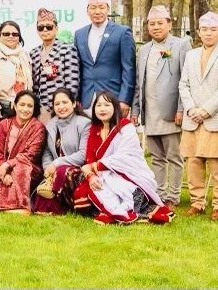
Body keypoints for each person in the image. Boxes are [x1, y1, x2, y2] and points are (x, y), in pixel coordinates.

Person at [72, 91, 173, 224]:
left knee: (127, 194)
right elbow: (90, 158)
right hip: (101, 175)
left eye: (106, 105)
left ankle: (122, 210)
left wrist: (94, 166)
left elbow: (125, 157)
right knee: (81, 202)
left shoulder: (126, 127)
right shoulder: (94, 129)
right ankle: (109, 208)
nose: (102, 109)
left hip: (128, 174)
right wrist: (91, 175)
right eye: (99, 105)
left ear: (115, 107)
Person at [178, 12, 218, 220]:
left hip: (215, 118)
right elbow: (183, 84)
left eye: (213, 30)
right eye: (204, 30)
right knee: (193, 162)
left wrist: (205, 111)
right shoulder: (191, 55)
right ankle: (197, 202)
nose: (208, 33)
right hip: (192, 119)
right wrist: (191, 109)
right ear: (199, 32)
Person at [133, 5, 191, 209]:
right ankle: (159, 194)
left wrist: (181, 109)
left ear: (169, 23)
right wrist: (135, 110)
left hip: (171, 112)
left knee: (174, 156)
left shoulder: (181, 45)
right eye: (152, 24)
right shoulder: (144, 50)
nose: (156, 27)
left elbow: (187, 79)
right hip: (150, 112)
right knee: (156, 157)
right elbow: (138, 83)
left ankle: (173, 197)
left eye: (160, 23)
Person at [73, 0, 136, 117]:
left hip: (113, 98)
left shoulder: (122, 32)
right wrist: (76, 98)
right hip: (86, 100)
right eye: (93, 8)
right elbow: (78, 68)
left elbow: (129, 68)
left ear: (108, 9)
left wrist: (125, 99)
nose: (97, 11)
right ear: (87, 10)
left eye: (101, 7)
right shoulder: (79, 34)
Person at [0, 90, 45, 214]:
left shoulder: (38, 128)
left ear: (34, 109)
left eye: (29, 106)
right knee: (3, 169)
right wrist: (3, 172)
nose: (25, 109)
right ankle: (10, 208)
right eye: (22, 105)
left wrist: (8, 165)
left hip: (30, 169)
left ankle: (20, 205)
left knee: (21, 168)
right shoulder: (4, 124)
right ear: (15, 106)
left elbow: (31, 155)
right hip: (2, 169)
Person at [33, 88, 91, 215]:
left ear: (74, 103)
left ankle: (60, 207)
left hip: (78, 170)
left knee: (62, 171)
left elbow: (83, 154)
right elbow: (47, 151)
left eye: (65, 102)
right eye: (57, 104)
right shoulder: (51, 124)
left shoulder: (84, 124)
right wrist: (47, 167)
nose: (61, 107)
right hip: (55, 170)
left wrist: (57, 163)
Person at [30, 8, 80, 123]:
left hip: (61, 107)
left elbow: (72, 83)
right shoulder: (34, 53)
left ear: (56, 28)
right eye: (40, 27)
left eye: (49, 27)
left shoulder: (67, 49)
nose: (45, 30)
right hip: (40, 109)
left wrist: (66, 106)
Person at [0, 21, 33, 125]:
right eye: (6, 34)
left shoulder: (24, 53)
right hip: (3, 107)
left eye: (15, 34)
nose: (11, 36)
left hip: (24, 107)